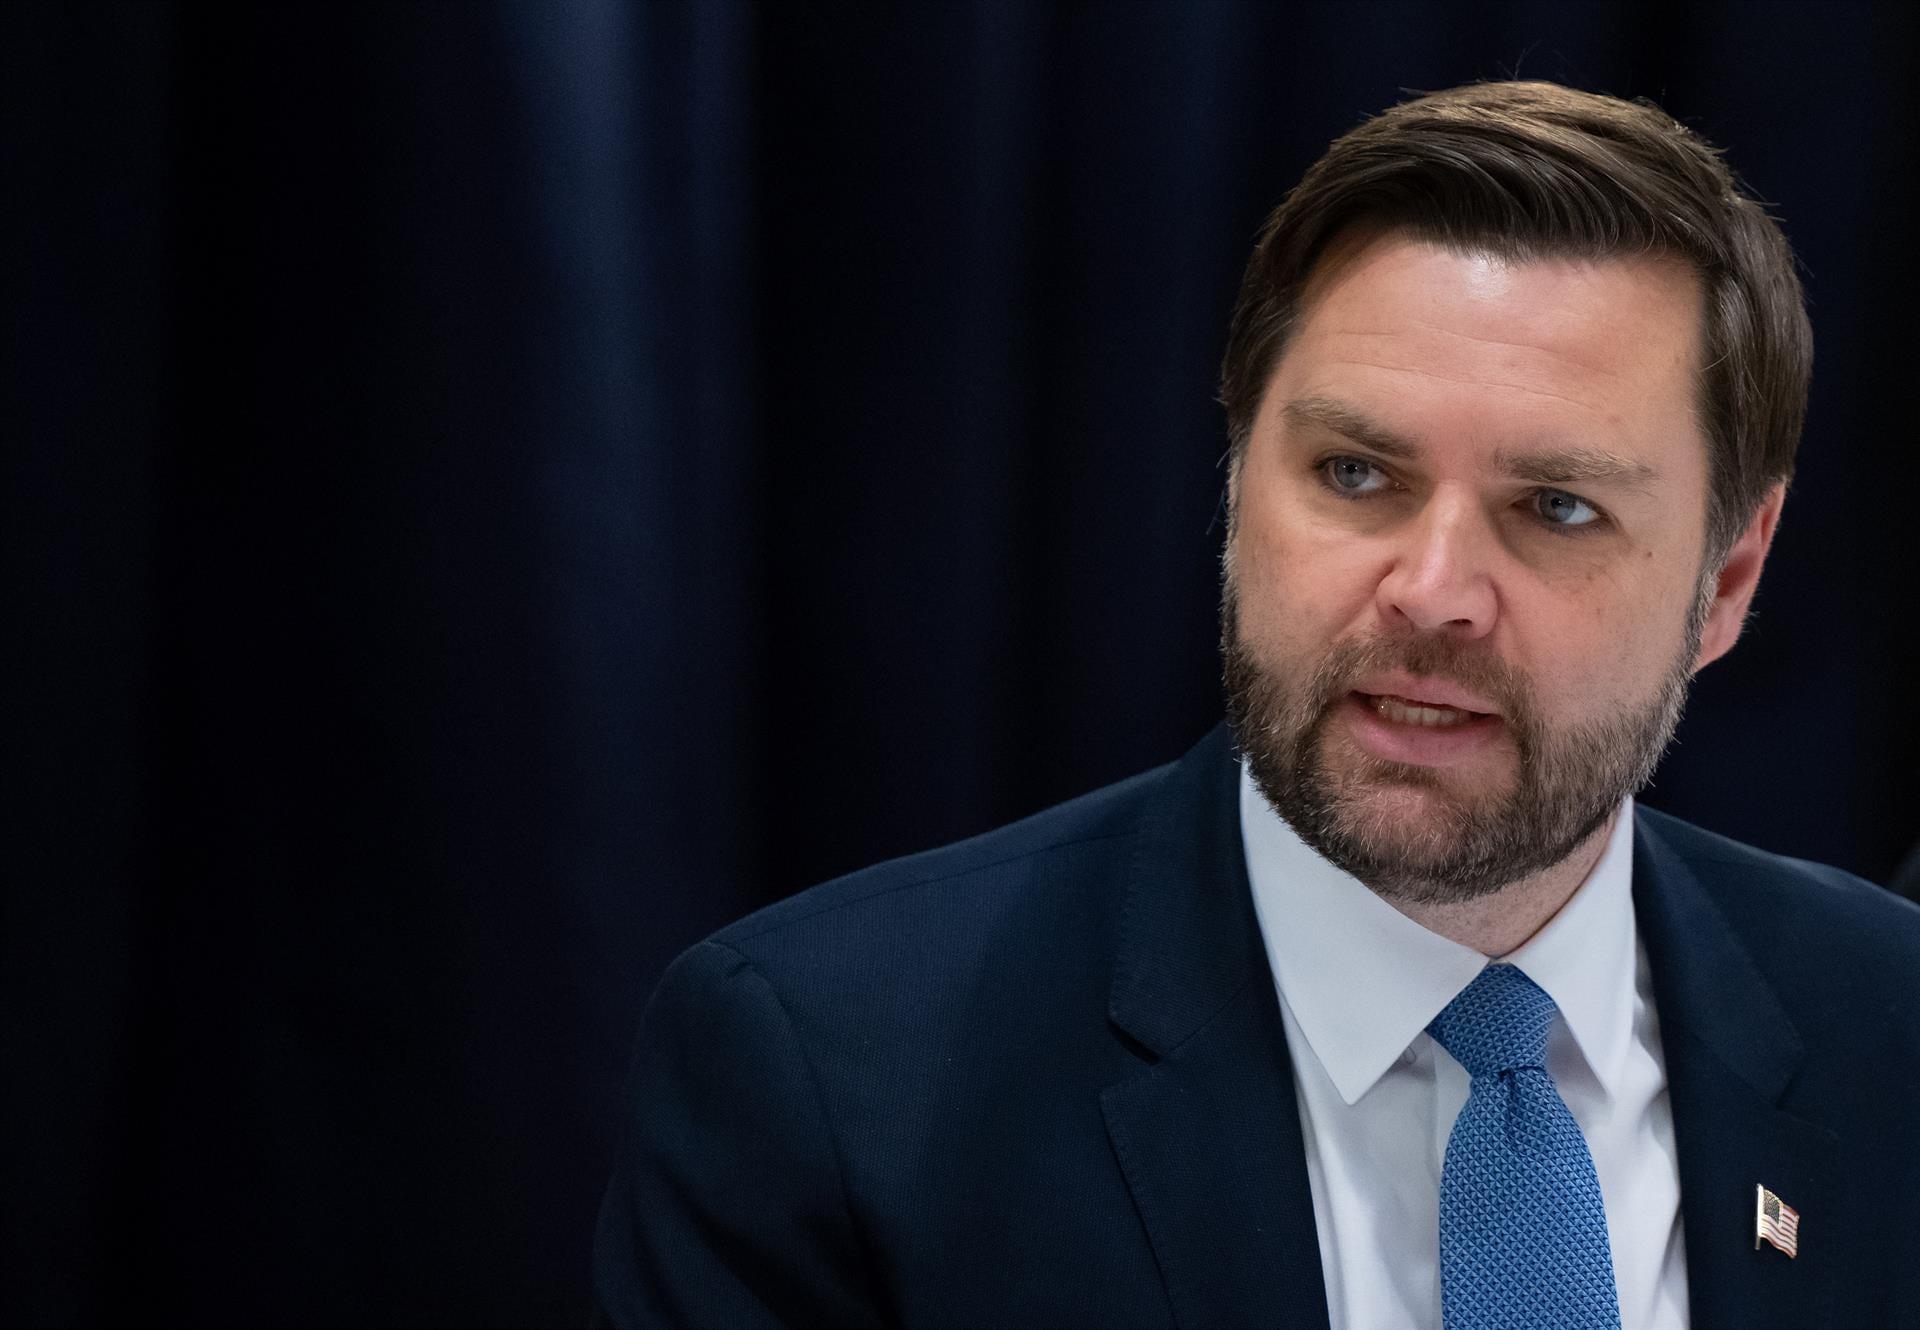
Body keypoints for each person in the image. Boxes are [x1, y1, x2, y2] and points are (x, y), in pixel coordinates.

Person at [592, 81, 1920, 1329]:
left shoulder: (1890, 1022)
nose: (1432, 592)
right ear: (1237, 484)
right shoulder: (827, 1074)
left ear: (1727, 578)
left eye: (1557, 507)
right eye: (1354, 473)